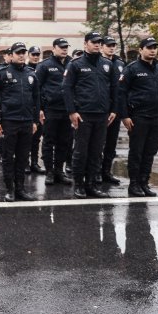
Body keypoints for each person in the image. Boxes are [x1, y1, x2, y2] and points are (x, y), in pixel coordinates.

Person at [62, 31, 119, 199]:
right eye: (94, 42)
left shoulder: (107, 64)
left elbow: (115, 88)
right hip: (83, 115)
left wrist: (114, 110)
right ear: (85, 43)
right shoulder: (76, 64)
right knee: (81, 152)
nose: (97, 44)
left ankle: (91, 185)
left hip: (102, 115)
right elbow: (66, 88)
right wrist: (72, 111)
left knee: (96, 152)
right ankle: (79, 185)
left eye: (99, 42)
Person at [118, 37, 158, 197]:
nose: (153, 50)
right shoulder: (131, 69)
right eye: (149, 47)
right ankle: (134, 184)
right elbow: (121, 93)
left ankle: (144, 183)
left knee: (150, 152)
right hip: (138, 117)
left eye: (155, 47)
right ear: (141, 50)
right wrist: (124, 116)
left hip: (156, 117)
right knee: (137, 152)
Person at [0, 42, 39, 202]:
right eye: (18, 53)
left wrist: (35, 121)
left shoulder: (31, 74)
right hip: (9, 122)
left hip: (26, 122)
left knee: (23, 157)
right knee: (8, 157)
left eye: (23, 52)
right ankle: (10, 189)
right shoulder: (2, 73)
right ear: (11, 55)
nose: (22, 55)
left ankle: (20, 189)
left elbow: (36, 98)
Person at [35, 38, 73, 185]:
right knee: (49, 141)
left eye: (66, 47)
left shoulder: (72, 63)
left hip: (67, 110)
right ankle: (49, 172)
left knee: (64, 142)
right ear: (54, 48)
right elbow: (36, 89)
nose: (64, 49)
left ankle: (59, 171)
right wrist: (39, 109)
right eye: (61, 47)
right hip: (50, 109)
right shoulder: (45, 65)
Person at [100, 36, 126, 184]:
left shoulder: (120, 63)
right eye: (108, 45)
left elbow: (123, 88)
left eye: (113, 45)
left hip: (115, 110)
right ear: (102, 46)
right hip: (101, 108)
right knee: (98, 143)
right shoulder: (98, 62)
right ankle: (95, 172)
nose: (111, 48)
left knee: (111, 143)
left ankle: (106, 172)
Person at [26, 46, 46, 174]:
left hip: (40, 109)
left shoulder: (42, 69)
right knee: (27, 138)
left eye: (37, 54)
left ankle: (34, 162)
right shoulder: (25, 69)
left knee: (37, 138)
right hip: (28, 109)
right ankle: (25, 163)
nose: (35, 57)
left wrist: (41, 108)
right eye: (33, 54)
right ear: (29, 55)